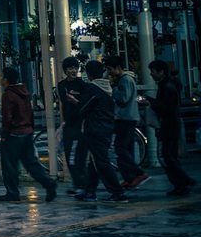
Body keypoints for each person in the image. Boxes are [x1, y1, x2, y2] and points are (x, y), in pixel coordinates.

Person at [69, 60, 127, 202]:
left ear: (88, 74)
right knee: (94, 161)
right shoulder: (107, 86)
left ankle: (117, 192)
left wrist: (74, 101)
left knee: (101, 162)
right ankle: (90, 191)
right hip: (106, 127)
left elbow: (83, 108)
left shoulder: (92, 89)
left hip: (95, 129)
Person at [0, 65, 57, 202]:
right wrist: (31, 128)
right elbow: (29, 113)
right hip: (27, 132)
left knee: (10, 165)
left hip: (14, 134)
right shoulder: (25, 92)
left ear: (6, 80)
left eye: (2, 77)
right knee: (31, 164)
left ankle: (12, 192)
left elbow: (7, 117)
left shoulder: (8, 95)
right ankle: (48, 183)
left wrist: (4, 134)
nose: (1, 79)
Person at [149, 59, 192, 196]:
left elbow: (166, 108)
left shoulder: (166, 87)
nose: (151, 74)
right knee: (169, 156)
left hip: (169, 124)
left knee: (168, 156)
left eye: (153, 72)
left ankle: (183, 181)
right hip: (171, 124)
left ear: (161, 72)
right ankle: (181, 183)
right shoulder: (170, 84)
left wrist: (151, 102)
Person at [105, 55, 148, 189]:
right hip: (127, 117)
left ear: (118, 68)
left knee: (120, 148)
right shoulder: (125, 79)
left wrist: (113, 90)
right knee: (126, 149)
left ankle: (138, 173)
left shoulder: (125, 80)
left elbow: (123, 98)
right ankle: (129, 178)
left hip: (126, 118)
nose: (109, 73)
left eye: (110, 69)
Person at [56, 56, 85, 186]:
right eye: (70, 68)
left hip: (81, 124)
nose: (73, 70)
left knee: (79, 156)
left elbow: (85, 104)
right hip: (68, 124)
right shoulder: (61, 85)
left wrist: (75, 101)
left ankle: (81, 184)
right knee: (68, 155)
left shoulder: (82, 84)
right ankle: (78, 183)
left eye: (75, 68)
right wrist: (62, 122)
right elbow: (62, 104)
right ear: (65, 70)